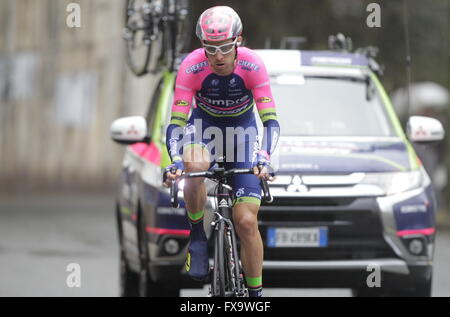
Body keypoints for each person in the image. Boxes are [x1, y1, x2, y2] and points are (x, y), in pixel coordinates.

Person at [163, 6, 280, 297]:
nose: (218, 56)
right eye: (210, 47)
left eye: (225, 47)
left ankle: (254, 296)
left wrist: (264, 158)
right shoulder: (191, 66)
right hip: (204, 130)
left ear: (238, 41)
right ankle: (198, 237)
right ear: (201, 44)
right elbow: (176, 122)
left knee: (246, 221)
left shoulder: (253, 65)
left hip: (243, 136)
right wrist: (175, 161)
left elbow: (270, 121)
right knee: (193, 163)